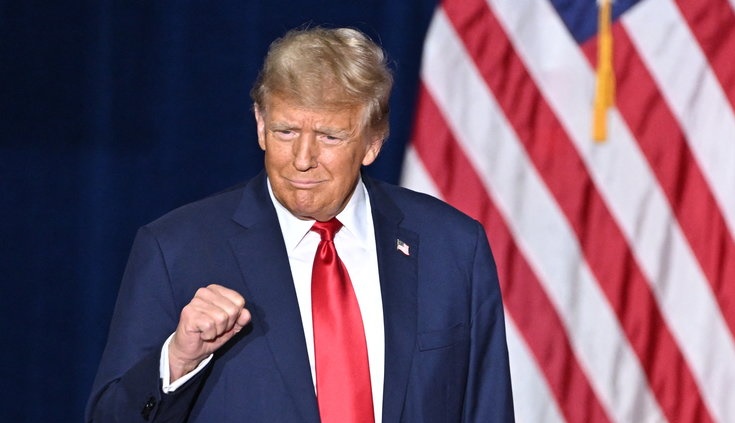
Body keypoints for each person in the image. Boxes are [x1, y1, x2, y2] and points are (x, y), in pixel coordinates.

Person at [86, 26, 514, 422]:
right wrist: (178, 360)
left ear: (372, 142)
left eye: (329, 136)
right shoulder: (176, 249)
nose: (303, 158)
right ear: (259, 124)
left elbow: (487, 409)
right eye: (286, 131)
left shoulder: (453, 248)